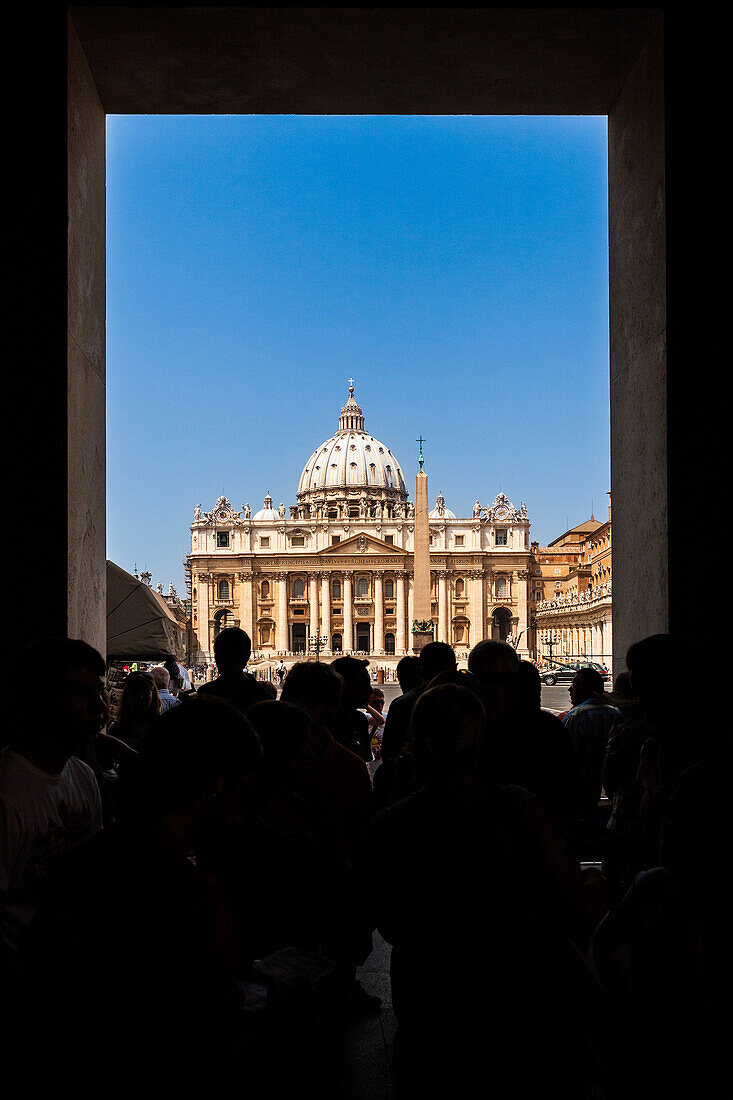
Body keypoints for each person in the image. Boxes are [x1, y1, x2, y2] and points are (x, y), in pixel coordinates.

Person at [368, 681, 601, 1097]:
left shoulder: (390, 823)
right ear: (479, 743)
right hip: (513, 990)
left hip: (428, 994)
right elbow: (576, 905)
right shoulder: (517, 808)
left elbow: (387, 924)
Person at [0, 638, 105, 968]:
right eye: (82, 693)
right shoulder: (7, 793)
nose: (100, 706)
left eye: (99, 691)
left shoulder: (84, 775)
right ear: (41, 702)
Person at [468, 640, 585, 833]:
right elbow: (573, 796)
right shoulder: (548, 728)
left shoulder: (463, 729)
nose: (491, 689)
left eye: (497, 681)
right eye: (486, 681)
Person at [562, 667, 621, 817]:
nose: (570, 689)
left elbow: (566, 759)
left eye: (574, 685)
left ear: (587, 689)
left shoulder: (575, 717)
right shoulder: (616, 714)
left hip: (578, 793)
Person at [196, 626, 271, 714]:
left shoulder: (205, 694)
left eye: (228, 654)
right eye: (219, 654)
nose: (221, 659)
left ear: (245, 656)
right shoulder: (263, 696)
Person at [329, 656, 373, 762]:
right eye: (364, 684)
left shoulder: (360, 719)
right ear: (344, 685)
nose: (370, 690)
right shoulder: (322, 723)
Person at [108, 669, 161, 750]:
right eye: (135, 692)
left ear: (153, 695)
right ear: (127, 695)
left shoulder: (163, 729)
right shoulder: (116, 730)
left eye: (145, 692)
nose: (140, 697)